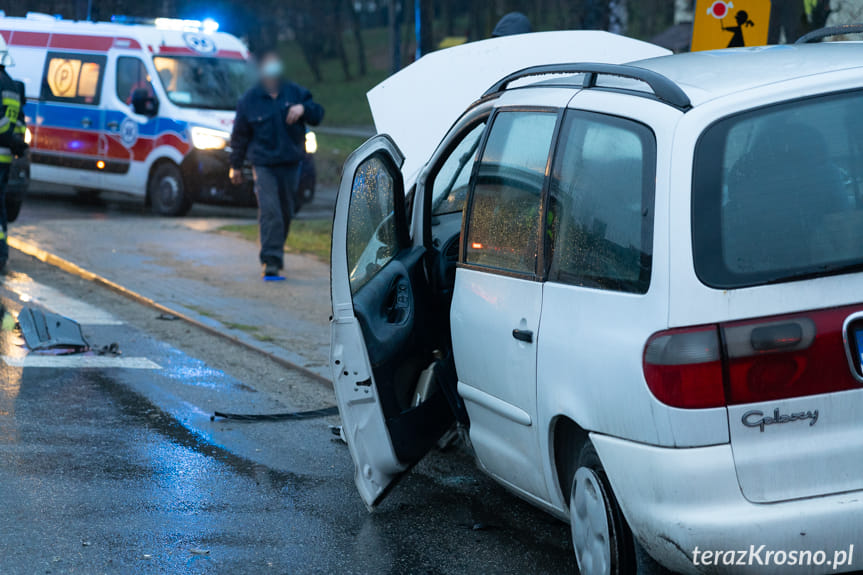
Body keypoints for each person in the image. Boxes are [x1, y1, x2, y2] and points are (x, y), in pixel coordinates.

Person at [229, 51, 324, 278]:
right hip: (263, 164)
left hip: (291, 162)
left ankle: (275, 249)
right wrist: (235, 165)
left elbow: (318, 114)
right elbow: (239, 136)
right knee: (270, 210)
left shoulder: (295, 92)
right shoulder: (250, 100)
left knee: (286, 211)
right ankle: (271, 260)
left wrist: (304, 109)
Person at [0, 35, 27, 272]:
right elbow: (19, 124)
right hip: (6, 157)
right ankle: (1, 254)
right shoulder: (12, 85)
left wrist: (7, 136)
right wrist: (15, 142)